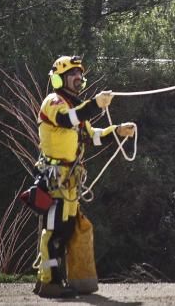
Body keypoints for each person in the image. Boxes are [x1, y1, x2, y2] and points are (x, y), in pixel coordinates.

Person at [33, 55, 135, 298]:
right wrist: (95, 104)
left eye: (79, 74)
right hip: (54, 177)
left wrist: (117, 131)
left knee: (66, 229)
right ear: (59, 78)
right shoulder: (54, 102)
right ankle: (50, 281)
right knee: (54, 229)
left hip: (69, 180)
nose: (78, 78)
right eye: (72, 74)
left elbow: (93, 136)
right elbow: (66, 120)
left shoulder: (76, 108)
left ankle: (57, 279)